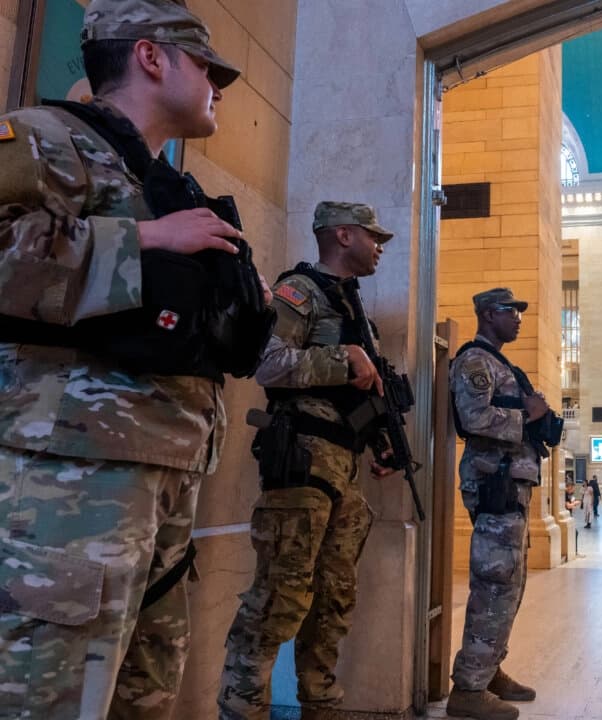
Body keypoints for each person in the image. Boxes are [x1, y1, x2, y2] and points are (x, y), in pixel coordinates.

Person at [0, 2, 275, 717]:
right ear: (151, 58)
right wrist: (147, 243)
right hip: (70, 481)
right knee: (50, 697)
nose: (221, 85)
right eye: (207, 66)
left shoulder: (165, 181)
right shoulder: (45, 139)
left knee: (141, 695)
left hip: (168, 474)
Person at [219, 201, 398, 719]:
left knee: (334, 598)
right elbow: (268, 364)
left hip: (343, 465)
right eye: (372, 236)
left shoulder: (355, 309)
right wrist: (346, 361)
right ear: (342, 235)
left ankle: (321, 701)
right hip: (302, 464)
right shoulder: (300, 292)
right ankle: (242, 707)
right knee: (281, 595)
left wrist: (380, 437)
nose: (380, 246)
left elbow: (357, 390)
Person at [444, 288, 549, 720]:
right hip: (494, 484)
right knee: (495, 583)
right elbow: (473, 419)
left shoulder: (501, 363)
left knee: (510, 583)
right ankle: (468, 688)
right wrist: (530, 416)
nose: (518, 318)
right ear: (488, 315)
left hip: (510, 485)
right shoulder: (475, 361)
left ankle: (486, 669)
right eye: (511, 311)